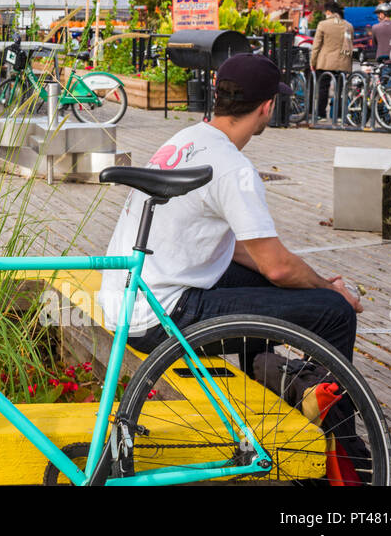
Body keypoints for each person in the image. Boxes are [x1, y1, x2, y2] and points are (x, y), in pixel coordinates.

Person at [99, 54, 361, 362]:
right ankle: (333, 406)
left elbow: (240, 253)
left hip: (126, 306)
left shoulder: (187, 138)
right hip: (160, 320)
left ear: (218, 96)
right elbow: (277, 266)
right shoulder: (233, 168)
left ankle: (272, 380)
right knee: (335, 312)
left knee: (266, 284)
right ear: (267, 106)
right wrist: (330, 291)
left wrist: (307, 282)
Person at [309, 1, 354, 121]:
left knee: (323, 88)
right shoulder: (348, 25)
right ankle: (338, 115)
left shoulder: (323, 24)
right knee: (340, 89)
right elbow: (350, 44)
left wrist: (312, 62)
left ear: (328, 12)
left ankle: (321, 114)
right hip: (343, 62)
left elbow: (316, 46)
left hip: (325, 62)